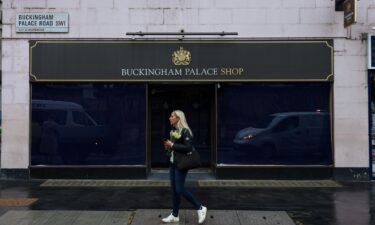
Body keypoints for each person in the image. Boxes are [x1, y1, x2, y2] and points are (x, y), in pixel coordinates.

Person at [162, 110, 207, 224]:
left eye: (172, 116)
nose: (169, 118)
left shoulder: (185, 131)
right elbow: (175, 148)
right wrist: (168, 147)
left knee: (180, 189)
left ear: (178, 118)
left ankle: (200, 208)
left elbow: (188, 147)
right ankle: (175, 215)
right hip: (173, 163)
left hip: (182, 164)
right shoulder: (173, 131)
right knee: (174, 191)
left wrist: (172, 145)